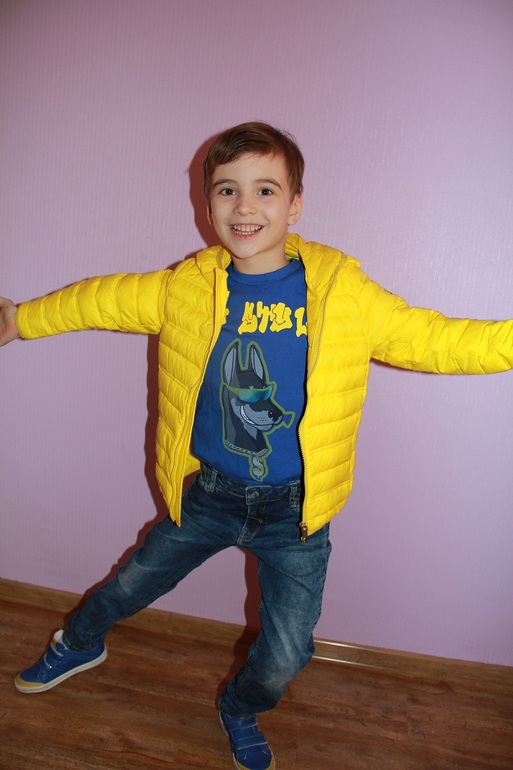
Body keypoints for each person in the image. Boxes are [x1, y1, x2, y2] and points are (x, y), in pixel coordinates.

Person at [1, 121, 513, 770]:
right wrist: (21, 319)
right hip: (210, 498)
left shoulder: (342, 292)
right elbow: (100, 299)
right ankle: (77, 643)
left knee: (287, 654)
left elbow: (439, 340)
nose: (245, 205)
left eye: (265, 190)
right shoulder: (186, 287)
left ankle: (240, 706)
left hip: (295, 515)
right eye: (227, 189)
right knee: (127, 586)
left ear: (294, 204)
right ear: (207, 203)